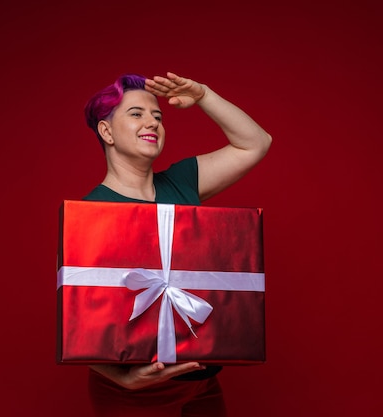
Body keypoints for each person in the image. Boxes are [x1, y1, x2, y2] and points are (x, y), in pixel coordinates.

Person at [82, 71, 272, 417]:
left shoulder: (183, 183)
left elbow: (255, 143)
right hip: (136, 393)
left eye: (158, 115)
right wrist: (122, 379)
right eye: (136, 114)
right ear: (106, 131)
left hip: (201, 381)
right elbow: (74, 317)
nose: (151, 122)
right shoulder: (89, 215)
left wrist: (203, 95)